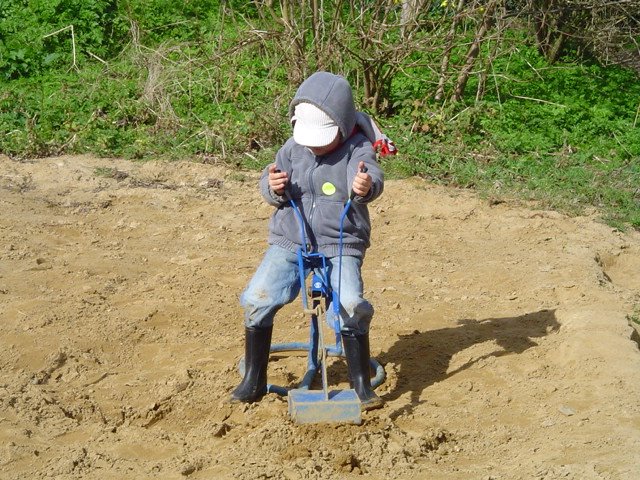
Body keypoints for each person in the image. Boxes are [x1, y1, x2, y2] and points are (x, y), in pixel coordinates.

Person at [230, 71, 392, 410]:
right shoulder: (293, 148)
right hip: (291, 238)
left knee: (350, 304)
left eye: (323, 138)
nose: (314, 145)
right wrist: (272, 187)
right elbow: (270, 180)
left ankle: (360, 384)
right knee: (257, 297)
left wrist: (365, 187)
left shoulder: (358, 149)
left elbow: (371, 176)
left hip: (340, 242)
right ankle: (254, 379)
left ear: (342, 126)